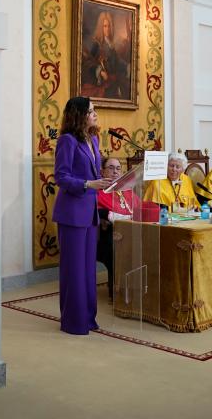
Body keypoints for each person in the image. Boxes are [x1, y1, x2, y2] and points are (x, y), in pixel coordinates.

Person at [53, 97, 112, 334]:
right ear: (79, 115)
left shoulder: (94, 139)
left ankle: (88, 318)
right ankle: (73, 321)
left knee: (88, 269)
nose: (95, 114)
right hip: (72, 213)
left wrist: (107, 183)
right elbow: (61, 177)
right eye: (91, 110)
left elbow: (95, 174)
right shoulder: (67, 141)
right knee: (74, 269)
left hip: (90, 213)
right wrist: (89, 184)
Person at [96, 157, 141, 301]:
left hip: (133, 231)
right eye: (110, 168)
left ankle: (139, 286)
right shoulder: (98, 190)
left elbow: (139, 207)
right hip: (108, 234)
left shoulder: (126, 189)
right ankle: (116, 291)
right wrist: (109, 216)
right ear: (102, 171)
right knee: (115, 248)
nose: (115, 171)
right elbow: (94, 211)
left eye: (118, 168)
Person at [81, 11, 130, 100]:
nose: (107, 29)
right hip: (101, 84)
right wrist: (100, 72)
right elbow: (88, 62)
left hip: (112, 82)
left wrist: (127, 66)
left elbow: (117, 61)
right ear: (101, 27)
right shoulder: (96, 44)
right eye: (105, 26)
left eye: (109, 26)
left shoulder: (110, 45)